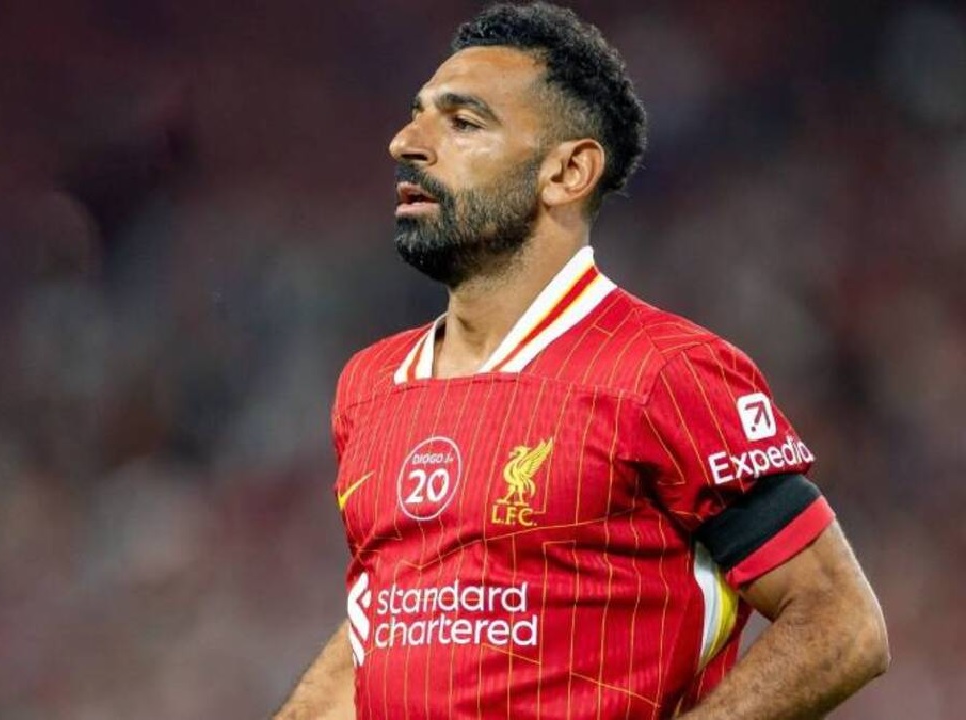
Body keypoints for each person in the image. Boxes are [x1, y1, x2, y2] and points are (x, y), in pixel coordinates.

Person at [274, 2, 889, 719]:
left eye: (463, 123)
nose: (405, 143)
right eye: (417, 116)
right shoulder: (370, 386)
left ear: (568, 171)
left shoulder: (665, 373)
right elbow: (381, 625)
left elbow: (841, 622)